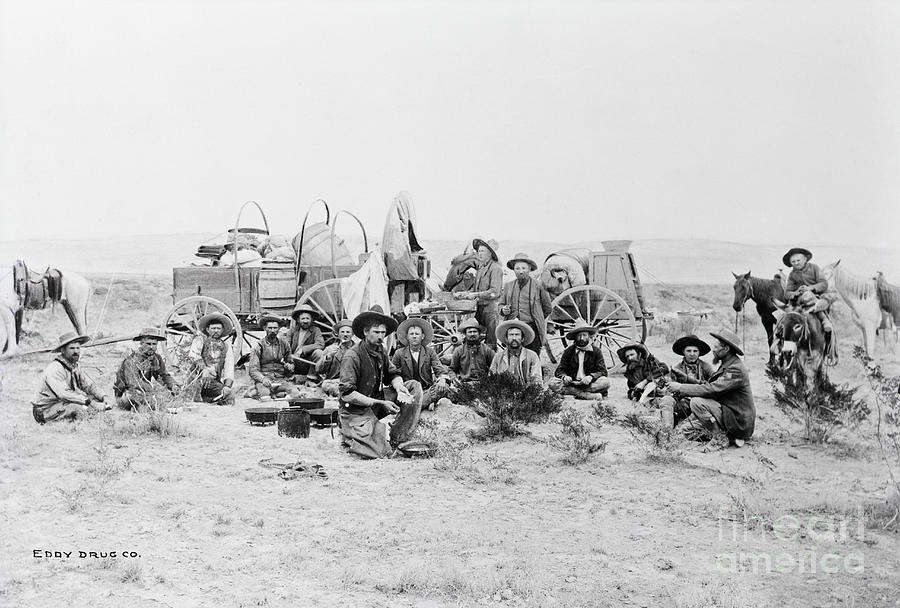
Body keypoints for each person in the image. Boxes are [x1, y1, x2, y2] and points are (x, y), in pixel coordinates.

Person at [338, 306, 424, 459]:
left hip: (377, 401)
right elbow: (347, 394)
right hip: (356, 409)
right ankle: (350, 434)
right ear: (365, 332)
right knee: (378, 452)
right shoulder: (352, 356)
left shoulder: (381, 349)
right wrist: (378, 403)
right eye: (376, 332)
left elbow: (392, 373)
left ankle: (400, 436)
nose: (380, 336)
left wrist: (399, 388)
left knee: (414, 387)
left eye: (383, 333)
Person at [667, 329, 756, 448]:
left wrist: (681, 387)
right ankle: (729, 437)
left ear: (726, 349)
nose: (713, 350)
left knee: (697, 402)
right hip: (726, 414)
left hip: (738, 421)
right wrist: (685, 386)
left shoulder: (735, 369)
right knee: (684, 430)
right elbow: (709, 385)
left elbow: (712, 389)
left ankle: (720, 438)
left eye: (715, 347)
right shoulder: (727, 365)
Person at [32, 332, 110, 423]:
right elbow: (64, 394)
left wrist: (104, 397)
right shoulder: (55, 368)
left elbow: (89, 385)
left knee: (95, 401)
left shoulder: (74, 367)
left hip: (62, 403)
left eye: (78, 348)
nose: (76, 351)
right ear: (63, 350)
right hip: (45, 409)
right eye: (72, 348)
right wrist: (91, 403)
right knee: (78, 409)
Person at [392, 317, 451, 410]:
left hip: (427, 389)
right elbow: (393, 373)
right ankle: (425, 403)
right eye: (411, 334)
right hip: (408, 391)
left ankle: (415, 405)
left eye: (417, 334)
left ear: (422, 336)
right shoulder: (399, 353)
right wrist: (399, 386)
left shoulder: (429, 352)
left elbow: (439, 369)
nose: (414, 336)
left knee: (444, 387)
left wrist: (442, 380)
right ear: (407, 336)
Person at [499, 252, 552, 355]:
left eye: (524, 268)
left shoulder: (538, 286)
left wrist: (537, 316)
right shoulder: (508, 286)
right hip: (513, 328)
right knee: (513, 355)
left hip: (532, 327)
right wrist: (503, 310)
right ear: (514, 270)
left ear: (529, 269)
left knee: (532, 355)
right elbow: (500, 304)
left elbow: (547, 308)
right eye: (517, 269)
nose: (521, 271)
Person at [657, 335, 714, 429]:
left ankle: (681, 427)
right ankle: (667, 430)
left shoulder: (706, 367)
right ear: (683, 352)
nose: (692, 354)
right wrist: (665, 384)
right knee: (666, 400)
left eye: (695, 351)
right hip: (683, 402)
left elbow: (713, 385)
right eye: (689, 351)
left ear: (699, 352)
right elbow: (669, 389)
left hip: (701, 403)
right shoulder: (677, 368)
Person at [454, 238, 503, 348]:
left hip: (491, 310)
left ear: (490, 254)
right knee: (473, 338)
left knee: (490, 342)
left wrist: (475, 295)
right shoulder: (481, 268)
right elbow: (476, 290)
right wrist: (464, 293)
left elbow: (495, 292)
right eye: (478, 251)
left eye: (482, 251)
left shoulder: (496, 268)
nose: (479, 254)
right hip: (480, 308)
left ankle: (490, 362)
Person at [113, 327, 177, 409]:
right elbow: (133, 383)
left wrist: (174, 386)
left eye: (154, 344)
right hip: (127, 394)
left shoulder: (156, 358)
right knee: (142, 398)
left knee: (169, 396)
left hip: (145, 392)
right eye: (148, 344)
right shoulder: (132, 359)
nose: (151, 347)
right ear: (141, 344)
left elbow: (163, 376)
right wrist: (151, 389)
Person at [548, 321, 610, 399]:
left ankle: (574, 393)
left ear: (589, 336)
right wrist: (564, 377)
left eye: (584, 335)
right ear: (575, 337)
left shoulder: (596, 351)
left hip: (589, 384)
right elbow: (559, 370)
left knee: (606, 382)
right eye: (579, 336)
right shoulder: (568, 351)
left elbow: (602, 371)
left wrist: (591, 377)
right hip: (572, 383)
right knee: (552, 383)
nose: (581, 338)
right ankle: (586, 395)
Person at [782, 247, 833, 334]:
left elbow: (824, 284)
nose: (796, 263)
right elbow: (787, 293)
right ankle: (782, 333)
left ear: (805, 259)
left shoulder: (814, 268)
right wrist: (796, 292)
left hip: (818, 297)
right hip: (800, 300)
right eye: (793, 262)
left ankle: (824, 320)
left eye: (798, 260)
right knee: (784, 313)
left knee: (809, 295)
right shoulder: (792, 275)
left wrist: (810, 288)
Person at [247, 315, 297, 400]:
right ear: (264, 328)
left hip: (280, 380)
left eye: (275, 328)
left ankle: (276, 394)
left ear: (279, 329)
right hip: (265, 380)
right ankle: (263, 393)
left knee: (295, 393)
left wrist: (289, 366)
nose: (273, 331)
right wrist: (262, 379)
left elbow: (291, 363)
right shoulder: (258, 346)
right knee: (266, 397)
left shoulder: (284, 344)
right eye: (270, 328)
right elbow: (253, 370)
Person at [188, 313, 235, 404]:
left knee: (229, 398)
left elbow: (229, 368)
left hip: (213, 382)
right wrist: (205, 369)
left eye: (218, 329)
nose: (216, 331)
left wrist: (227, 386)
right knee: (191, 396)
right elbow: (193, 356)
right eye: (213, 328)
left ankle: (208, 400)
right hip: (197, 379)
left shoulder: (226, 346)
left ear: (222, 331)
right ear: (207, 330)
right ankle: (203, 398)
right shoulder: (200, 340)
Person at [489, 319, 544, 386]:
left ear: (522, 338)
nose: (514, 338)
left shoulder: (532, 356)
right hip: (503, 393)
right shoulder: (498, 357)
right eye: (511, 335)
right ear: (506, 339)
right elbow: (491, 378)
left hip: (525, 392)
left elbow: (537, 380)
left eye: (517, 335)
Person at [316, 319, 355, 397]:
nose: (345, 334)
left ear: (353, 334)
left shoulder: (358, 349)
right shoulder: (330, 349)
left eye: (348, 332)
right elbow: (318, 369)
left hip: (353, 381)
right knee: (326, 385)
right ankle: (346, 394)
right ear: (338, 334)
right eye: (342, 332)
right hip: (335, 381)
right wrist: (328, 357)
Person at [288, 303, 326, 384]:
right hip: (293, 361)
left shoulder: (316, 330)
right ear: (298, 320)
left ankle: (311, 379)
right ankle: (290, 377)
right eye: (303, 318)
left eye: (308, 318)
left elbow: (320, 344)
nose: (305, 321)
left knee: (319, 353)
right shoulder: (293, 330)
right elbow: (286, 345)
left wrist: (303, 349)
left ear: (312, 319)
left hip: (308, 363)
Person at [449, 318, 496, 383]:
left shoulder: (487, 350)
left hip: (483, 384)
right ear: (465, 334)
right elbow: (452, 369)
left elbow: (495, 367)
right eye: (470, 332)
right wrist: (454, 378)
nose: (472, 334)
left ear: (479, 334)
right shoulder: (459, 350)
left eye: (475, 331)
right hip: (464, 384)